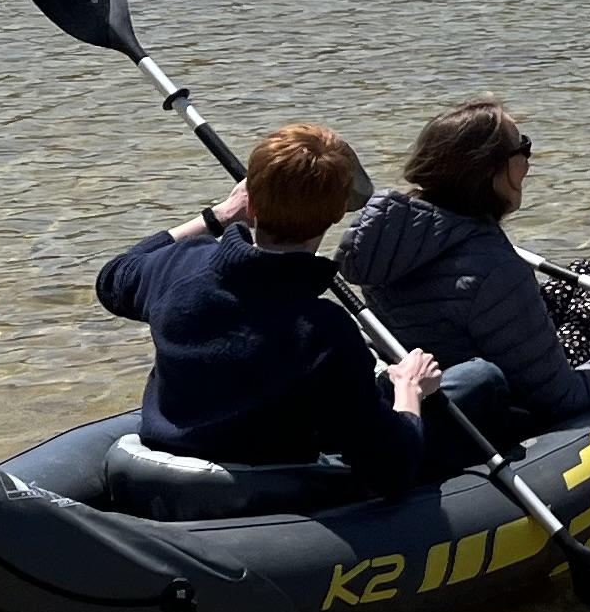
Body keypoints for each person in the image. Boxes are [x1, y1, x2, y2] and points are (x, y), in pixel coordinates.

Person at [99, 120, 441, 488]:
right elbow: (390, 468)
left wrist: (219, 215)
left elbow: (114, 276)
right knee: (479, 382)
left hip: (171, 453)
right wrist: (410, 389)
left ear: (251, 201)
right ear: (336, 214)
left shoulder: (180, 265)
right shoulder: (324, 330)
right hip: (264, 484)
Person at [341, 98, 590, 441]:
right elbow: (563, 397)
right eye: (522, 149)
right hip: (508, 404)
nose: (529, 161)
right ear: (491, 171)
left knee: (584, 271)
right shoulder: (494, 267)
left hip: (452, 369)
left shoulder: (390, 239)